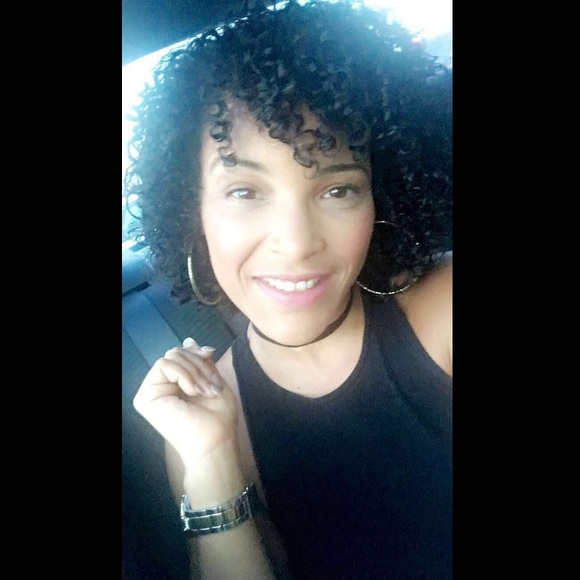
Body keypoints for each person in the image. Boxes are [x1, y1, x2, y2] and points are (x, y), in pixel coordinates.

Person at [125, 1, 452, 578]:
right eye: (245, 192)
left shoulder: (445, 307)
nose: (297, 244)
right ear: (193, 211)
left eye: (337, 190)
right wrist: (211, 458)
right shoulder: (203, 419)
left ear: (379, 198)